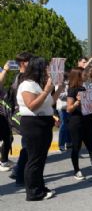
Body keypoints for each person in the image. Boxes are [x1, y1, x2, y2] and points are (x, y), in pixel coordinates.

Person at [17, 56, 63, 200]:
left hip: (43, 122)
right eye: (46, 67)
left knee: (41, 158)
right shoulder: (27, 85)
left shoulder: (37, 84)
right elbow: (32, 105)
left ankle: (39, 186)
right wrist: (46, 90)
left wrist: (59, 89)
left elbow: (49, 102)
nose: (48, 70)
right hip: (33, 124)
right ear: (38, 68)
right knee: (34, 159)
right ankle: (33, 192)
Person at [8, 52, 33, 186]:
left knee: (26, 145)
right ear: (23, 63)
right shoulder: (22, 78)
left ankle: (18, 170)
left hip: (22, 115)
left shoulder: (19, 77)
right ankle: (20, 173)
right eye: (30, 61)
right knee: (27, 147)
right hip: (23, 115)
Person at [0, 62, 13, 172]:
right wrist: (5, 71)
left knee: (8, 137)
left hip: (3, 114)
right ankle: (3, 162)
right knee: (7, 138)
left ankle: (4, 159)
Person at [55, 72, 71, 152]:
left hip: (69, 107)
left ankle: (69, 143)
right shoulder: (59, 84)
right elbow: (60, 95)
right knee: (63, 126)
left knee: (69, 125)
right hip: (62, 108)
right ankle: (61, 144)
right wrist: (70, 93)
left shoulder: (69, 83)